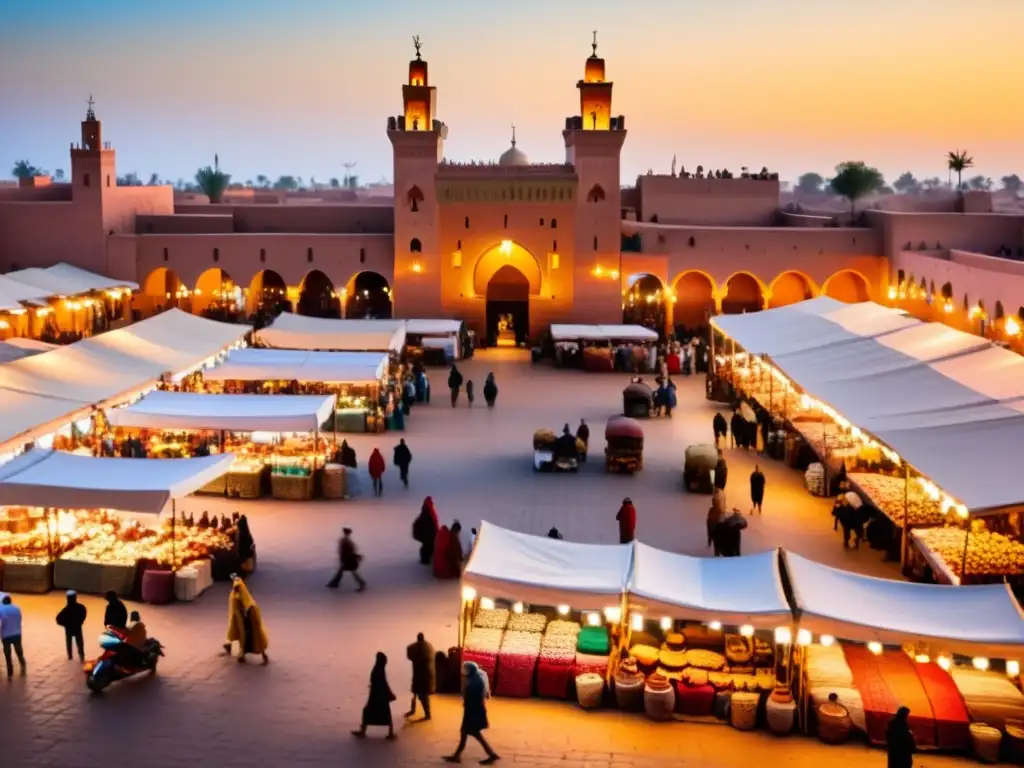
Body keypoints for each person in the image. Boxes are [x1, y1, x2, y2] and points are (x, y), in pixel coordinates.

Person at [444, 661, 500, 764]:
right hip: (473, 711)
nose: (463, 671)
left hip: (472, 712)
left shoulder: (473, 682)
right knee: (468, 734)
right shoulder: (475, 678)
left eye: (465, 669)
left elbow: (471, 698)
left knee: (472, 734)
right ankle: (457, 755)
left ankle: (491, 755)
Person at [223, 576, 269, 664]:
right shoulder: (235, 596)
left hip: (247, 622)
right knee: (237, 634)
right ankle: (234, 648)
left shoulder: (244, 598)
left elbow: (250, 607)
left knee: (249, 637)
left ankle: (242, 652)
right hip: (239, 620)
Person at [353, 652, 396, 739]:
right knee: (386, 714)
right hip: (381, 696)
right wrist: (389, 694)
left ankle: (363, 731)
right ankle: (390, 733)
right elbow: (383, 683)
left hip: (375, 696)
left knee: (368, 712)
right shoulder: (380, 669)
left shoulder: (377, 669)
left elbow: (381, 682)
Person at [405, 632, 436, 720]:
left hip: (420, 674)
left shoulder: (415, 647)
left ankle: (427, 714)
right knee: (419, 693)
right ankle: (414, 710)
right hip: (428, 673)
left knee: (421, 694)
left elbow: (410, 654)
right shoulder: (429, 646)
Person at [56, 589, 87, 662]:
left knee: (69, 642)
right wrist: (80, 622)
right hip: (77, 628)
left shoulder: (66, 610)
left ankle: (70, 656)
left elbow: (58, 619)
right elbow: (84, 613)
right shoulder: (80, 607)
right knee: (80, 643)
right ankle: (81, 657)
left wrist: (65, 624)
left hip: (69, 629)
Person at [0, 594, 26, 678]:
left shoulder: (1, 609)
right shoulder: (17, 608)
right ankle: (23, 665)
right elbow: (20, 618)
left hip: (5, 634)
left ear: (3, 602)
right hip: (17, 633)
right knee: (19, 652)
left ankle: (10, 672)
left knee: (8, 654)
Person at [412, 497, 440, 565]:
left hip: (427, 533)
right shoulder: (428, 511)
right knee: (429, 546)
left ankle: (426, 558)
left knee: (427, 546)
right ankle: (425, 559)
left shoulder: (427, 510)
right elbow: (432, 522)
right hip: (428, 533)